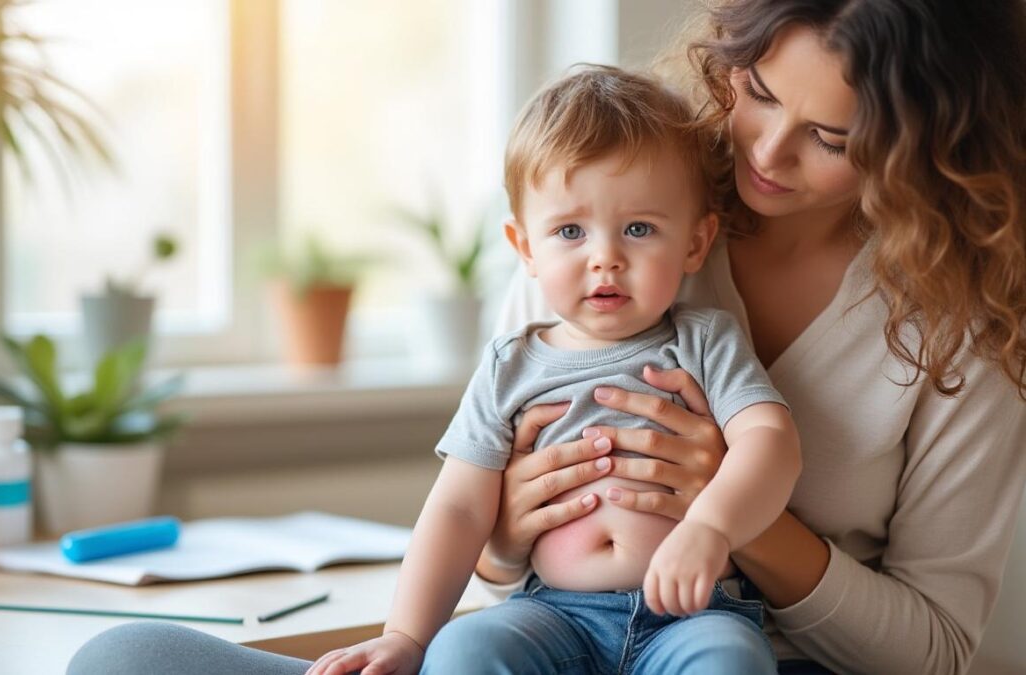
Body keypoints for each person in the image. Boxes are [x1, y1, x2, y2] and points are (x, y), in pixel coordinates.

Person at [67, 2, 1026, 673]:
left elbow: (933, 652)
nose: (765, 153)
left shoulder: (958, 325)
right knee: (128, 655)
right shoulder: (606, 204)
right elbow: (478, 538)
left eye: (833, 136)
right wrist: (503, 540)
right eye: (763, 91)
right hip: (552, 627)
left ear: (920, 144)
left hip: (749, 650)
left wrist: (726, 516)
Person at [308, 64, 800, 675]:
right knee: (463, 650)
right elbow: (459, 509)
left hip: (696, 617)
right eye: (570, 230)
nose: (606, 259)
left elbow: (770, 441)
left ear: (696, 245)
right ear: (526, 250)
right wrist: (406, 636)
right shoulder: (509, 364)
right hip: (554, 615)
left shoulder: (705, 340)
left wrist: (712, 529)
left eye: (639, 229)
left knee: (732, 661)